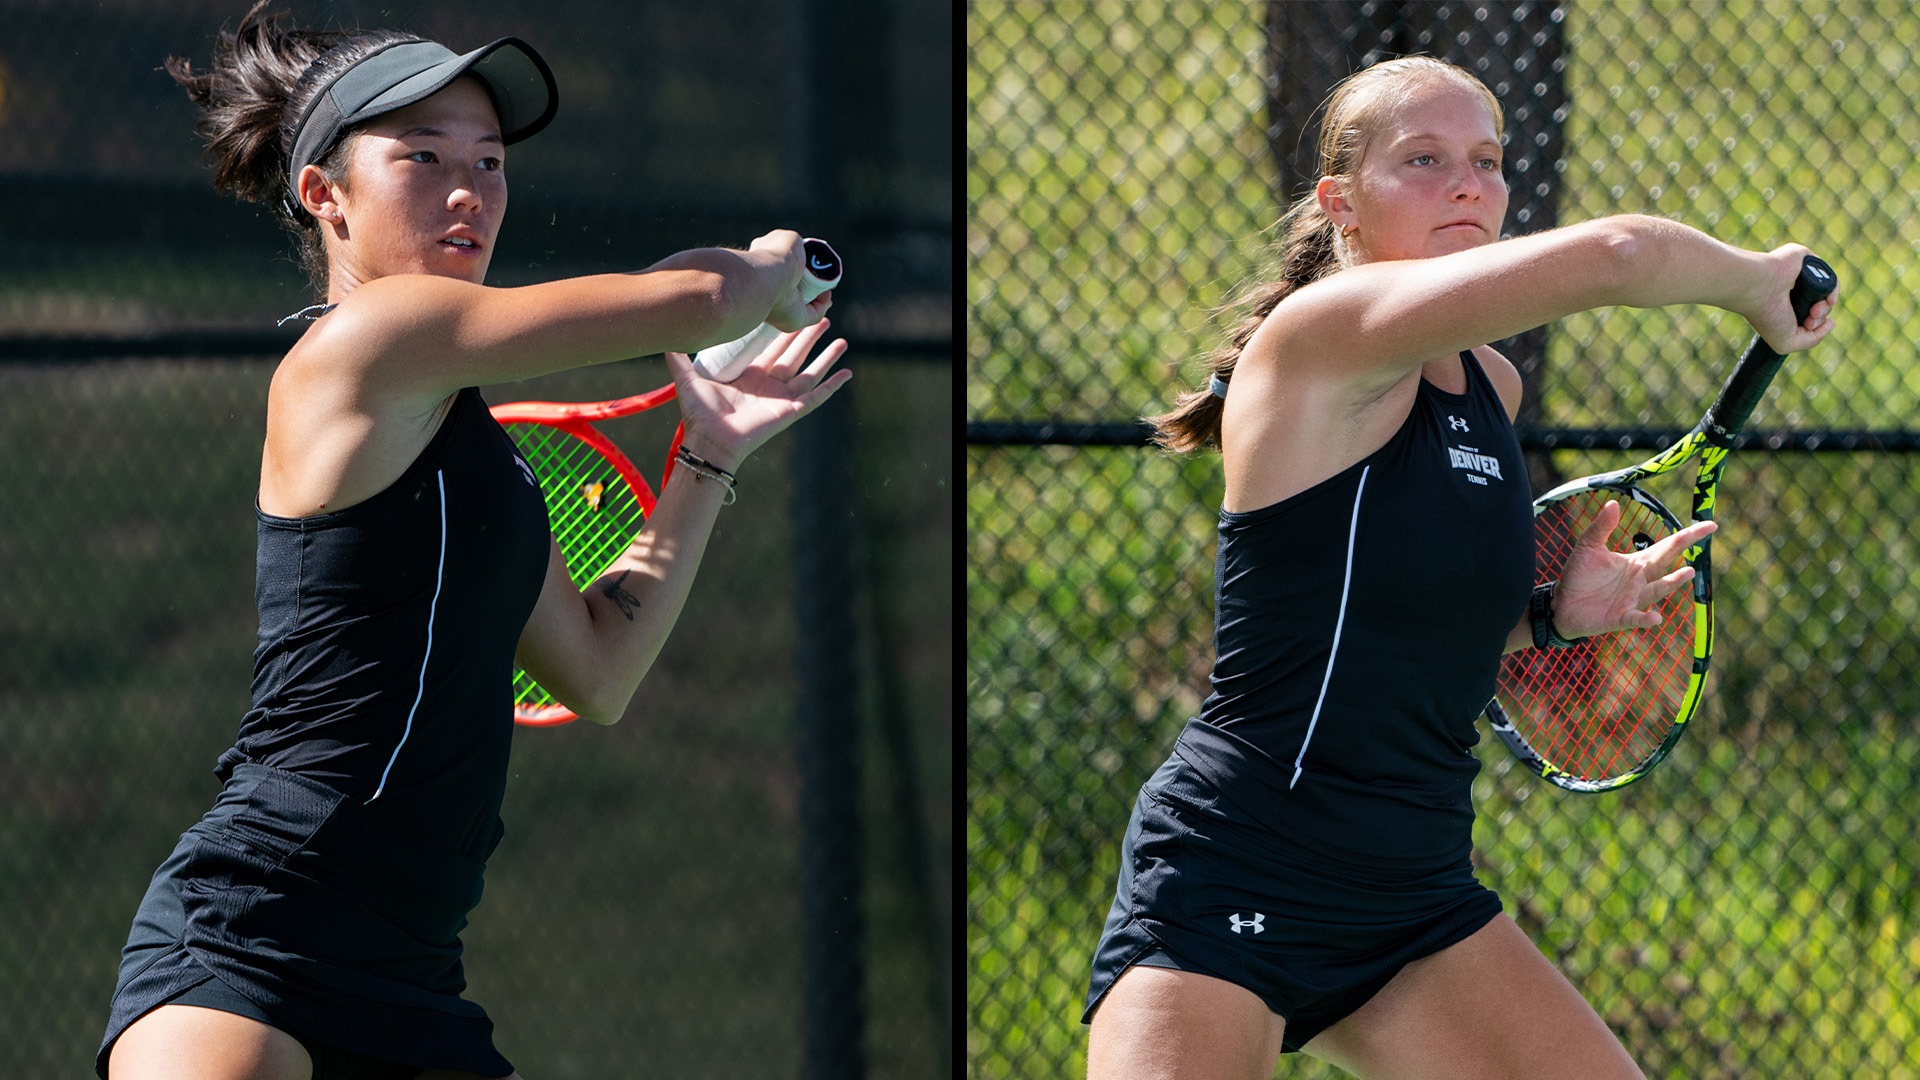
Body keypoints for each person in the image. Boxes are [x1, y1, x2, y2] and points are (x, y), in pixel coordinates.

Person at [97, 3, 849, 1078]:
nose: (470, 190)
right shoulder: (366, 344)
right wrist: (773, 267)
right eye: (423, 157)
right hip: (249, 950)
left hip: (413, 980)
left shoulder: (477, 456)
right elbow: (692, 296)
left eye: (490, 161)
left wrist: (706, 454)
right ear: (324, 197)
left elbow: (597, 667)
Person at [1083, 56, 1834, 1079]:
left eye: (1487, 161)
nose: (1468, 185)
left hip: (1413, 891)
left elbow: (1395, 617)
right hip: (1238, 862)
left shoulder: (1493, 384)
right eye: (1424, 160)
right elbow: (1615, 255)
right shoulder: (1321, 339)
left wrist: (1548, 617)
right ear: (1340, 203)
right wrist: (1757, 279)